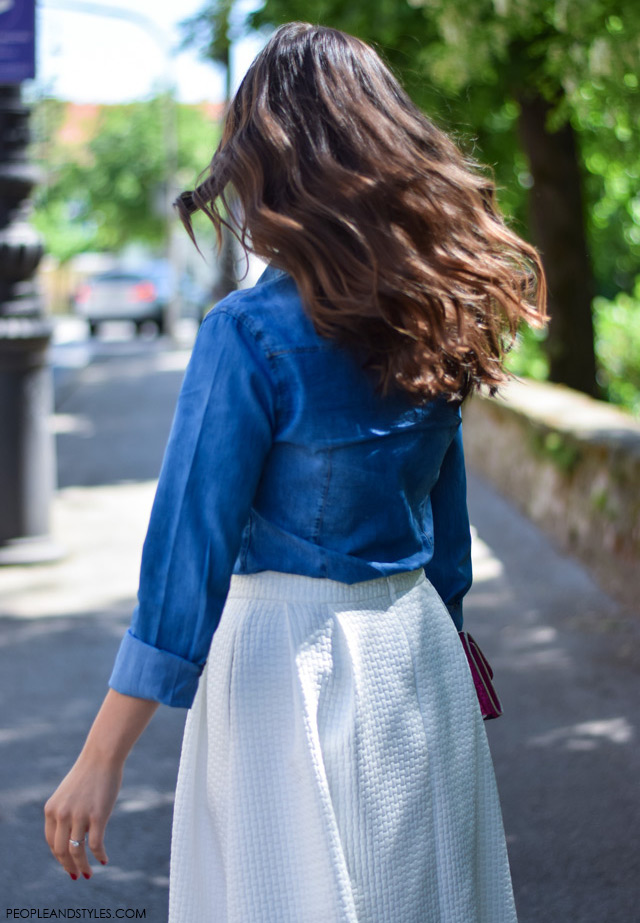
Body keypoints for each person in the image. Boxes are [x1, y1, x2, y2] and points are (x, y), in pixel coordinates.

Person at [45, 21, 547, 923]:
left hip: (288, 664)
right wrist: (453, 632)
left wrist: (102, 754)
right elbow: (449, 519)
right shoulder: (435, 311)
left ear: (272, 157)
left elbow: (185, 558)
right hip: (418, 653)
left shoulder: (248, 332)